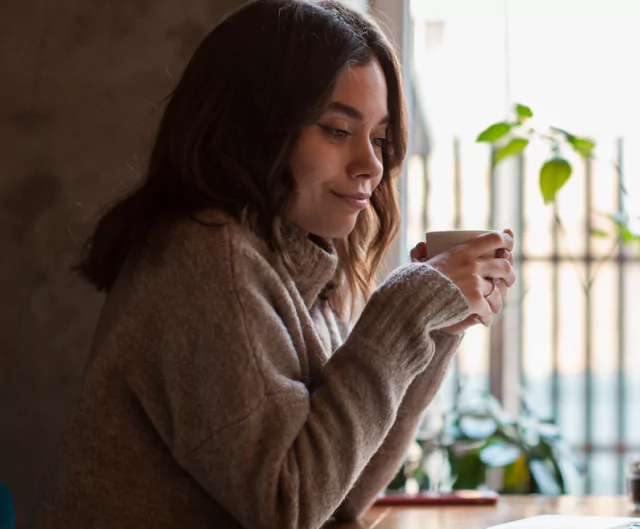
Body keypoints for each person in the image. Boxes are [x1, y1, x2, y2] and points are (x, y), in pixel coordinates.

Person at [29, 1, 515, 528]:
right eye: (336, 130)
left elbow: (340, 494)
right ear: (255, 126)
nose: (371, 165)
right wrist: (403, 311)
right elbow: (288, 506)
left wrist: (435, 326)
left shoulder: (294, 267)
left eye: (377, 138)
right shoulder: (204, 258)